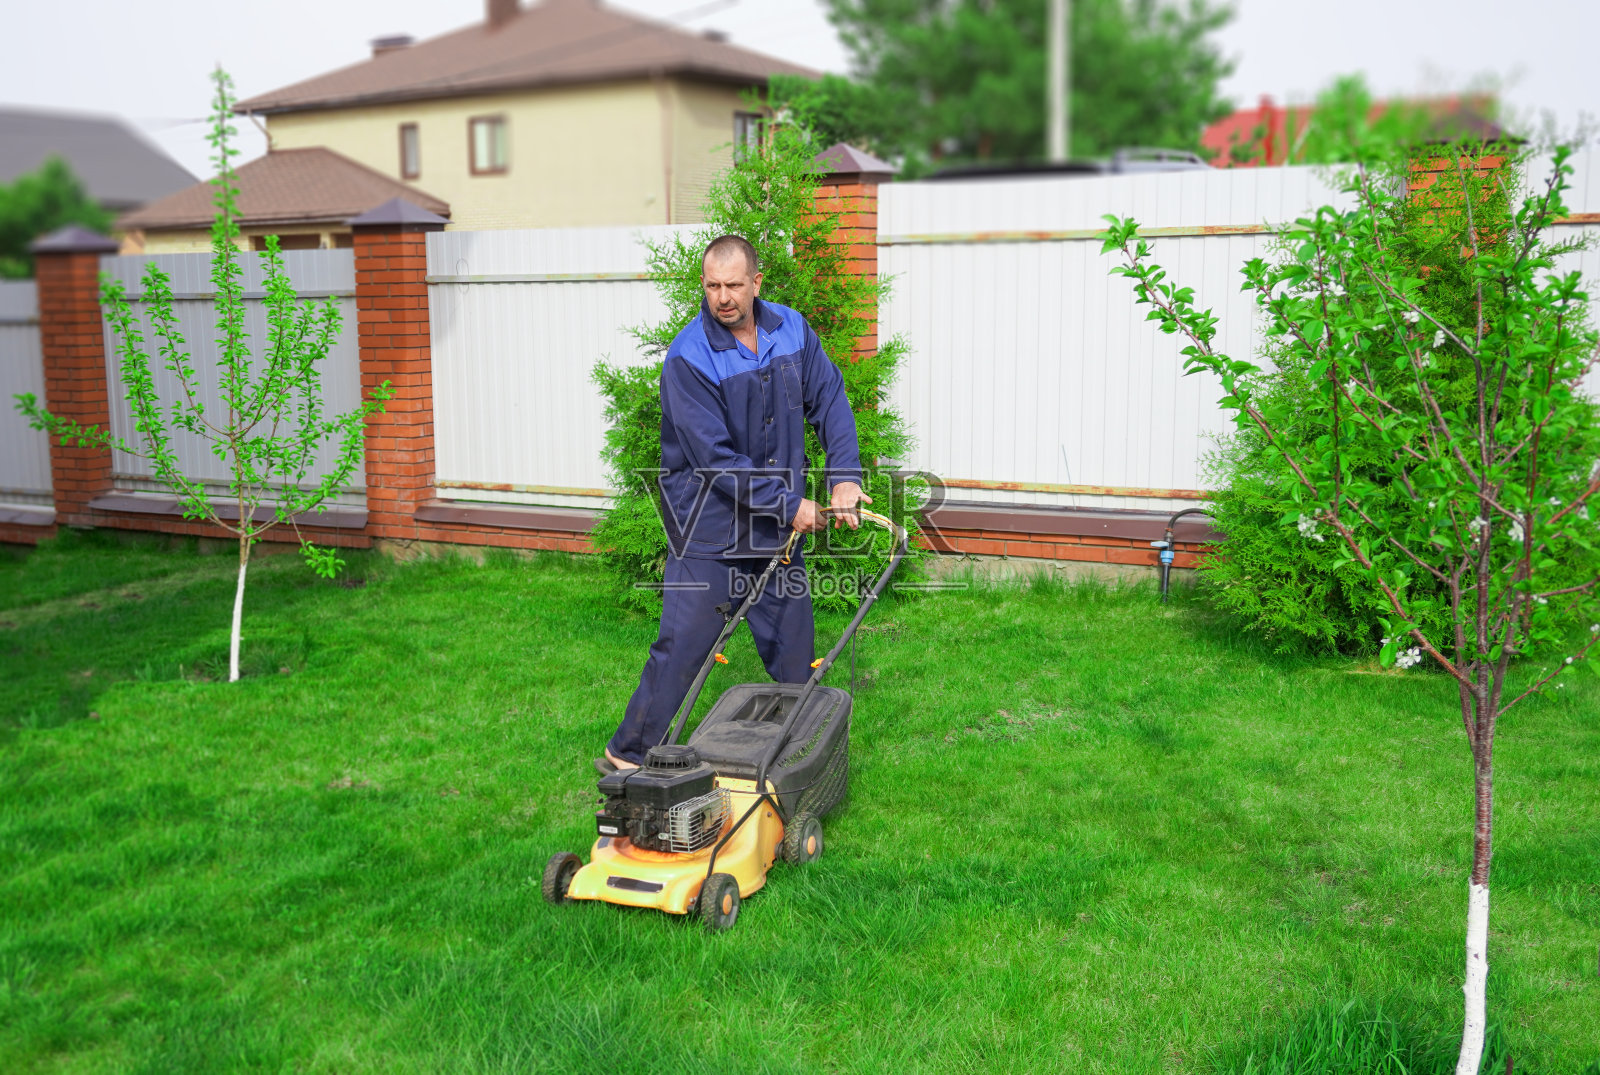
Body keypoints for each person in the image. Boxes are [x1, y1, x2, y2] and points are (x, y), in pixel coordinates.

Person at [602, 234, 869, 772]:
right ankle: (627, 756)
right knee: (682, 649)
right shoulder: (689, 357)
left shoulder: (791, 330)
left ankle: (793, 762)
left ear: (756, 283)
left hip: (774, 530)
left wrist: (844, 478)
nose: (722, 297)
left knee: (796, 653)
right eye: (712, 286)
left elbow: (831, 399)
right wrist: (791, 505)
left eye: (733, 285)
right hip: (710, 529)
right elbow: (716, 460)